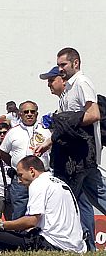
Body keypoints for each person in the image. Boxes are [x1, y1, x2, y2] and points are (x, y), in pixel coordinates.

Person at [39, 64, 99, 250]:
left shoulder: (80, 85)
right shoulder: (65, 98)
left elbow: (92, 115)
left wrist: (64, 121)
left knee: (81, 198)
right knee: (82, 200)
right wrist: (51, 139)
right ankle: (88, 245)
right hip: (76, 158)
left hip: (80, 158)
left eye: (51, 80)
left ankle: (83, 244)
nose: (49, 84)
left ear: (62, 80)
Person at [0, 155, 86, 252]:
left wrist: (2, 225)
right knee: (20, 233)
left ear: (32, 171)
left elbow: (32, 221)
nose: (19, 181)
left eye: (20, 175)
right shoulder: (59, 182)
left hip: (55, 244)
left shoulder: (38, 184)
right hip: (76, 245)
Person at [0, 101, 50, 219]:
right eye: (26, 112)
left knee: (42, 212)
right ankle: (19, 236)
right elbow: (3, 153)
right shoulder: (13, 132)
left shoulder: (45, 131)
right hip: (20, 180)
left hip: (41, 178)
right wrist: (16, 166)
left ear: (37, 114)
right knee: (19, 212)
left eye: (32, 111)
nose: (29, 114)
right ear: (20, 114)